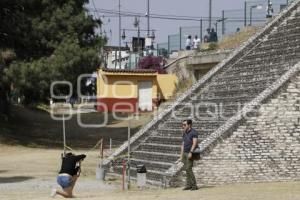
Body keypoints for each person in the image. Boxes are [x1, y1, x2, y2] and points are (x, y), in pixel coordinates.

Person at [180, 119, 198, 190]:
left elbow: (194, 143)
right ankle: (188, 185)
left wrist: (191, 152)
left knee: (189, 168)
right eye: (182, 125)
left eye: (184, 125)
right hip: (184, 152)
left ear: (189, 125)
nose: (183, 126)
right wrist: (181, 155)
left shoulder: (194, 132)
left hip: (190, 152)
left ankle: (194, 185)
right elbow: (183, 144)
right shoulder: (184, 132)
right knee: (186, 169)